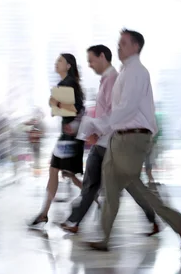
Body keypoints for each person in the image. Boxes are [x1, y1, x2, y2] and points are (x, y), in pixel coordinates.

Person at [87, 29, 181, 252]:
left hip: (133, 138)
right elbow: (118, 110)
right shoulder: (126, 72)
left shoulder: (137, 71)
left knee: (133, 183)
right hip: (119, 137)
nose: (119, 47)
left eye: (123, 43)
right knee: (111, 184)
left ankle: (177, 221)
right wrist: (104, 129)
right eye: (118, 43)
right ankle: (104, 237)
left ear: (135, 47)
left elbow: (127, 108)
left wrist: (101, 125)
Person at [59, 45, 159, 236]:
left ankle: (152, 217)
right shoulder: (106, 80)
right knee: (91, 182)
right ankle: (75, 221)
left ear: (102, 57)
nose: (89, 65)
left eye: (91, 60)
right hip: (103, 142)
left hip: (113, 143)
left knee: (130, 185)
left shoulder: (114, 80)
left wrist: (97, 130)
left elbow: (118, 114)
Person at [28, 53, 85, 229]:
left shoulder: (67, 83)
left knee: (58, 171)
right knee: (65, 173)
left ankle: (45, 213)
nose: (56, 62)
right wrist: (56, 105)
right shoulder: (70, 83)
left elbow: (72, 110)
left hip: (68, 137)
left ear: (68, 65)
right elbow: (73, 110)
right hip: (69, 136)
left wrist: (56, 104)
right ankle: (44, 213)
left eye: (60, 60)